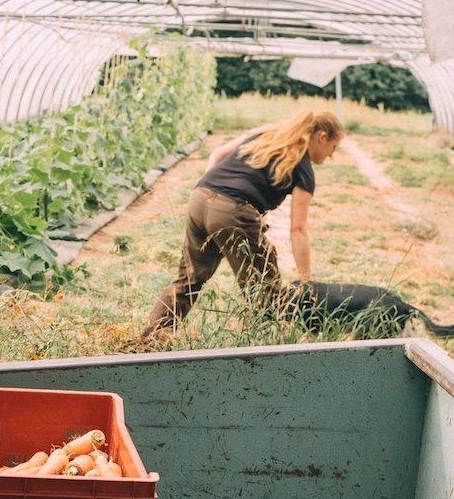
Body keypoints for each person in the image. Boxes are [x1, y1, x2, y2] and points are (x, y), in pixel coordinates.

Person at [142, 110, 345, 339]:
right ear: (322, 136)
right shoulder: (304, 168)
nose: (331, 155)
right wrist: (307, 281)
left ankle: (150, 341)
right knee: (265, 292)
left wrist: (213, 193)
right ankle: (264, 350)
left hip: (200, 198)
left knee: (188, 279)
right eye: (333, 147)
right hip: (234, 211)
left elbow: (218, 154)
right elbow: (298, 229)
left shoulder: (266, 135)